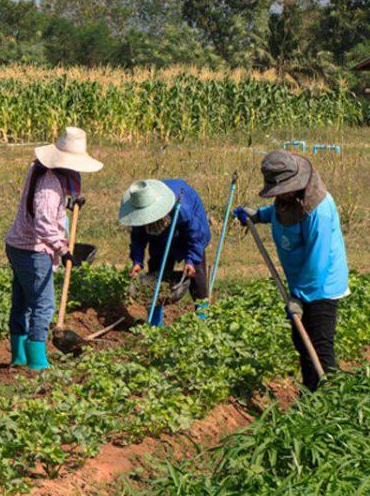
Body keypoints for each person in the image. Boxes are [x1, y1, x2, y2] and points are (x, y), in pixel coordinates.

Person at [235, 150, 348, 392]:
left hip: (322, 284)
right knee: (301, 339)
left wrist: (300, 297)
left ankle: (332, 396)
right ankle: (311, 391)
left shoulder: (319, 210)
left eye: (283, 189)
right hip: (301, 282)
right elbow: (282, 214)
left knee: (318, 343)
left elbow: (317, 263)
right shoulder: (290, 199)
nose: (280, 195)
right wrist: (259, 215)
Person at [5, 127, 102, 370]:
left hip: (17, 244)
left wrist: (70, 202)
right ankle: (37, 361)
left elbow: (43, 205)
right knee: (44, 304)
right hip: (33, 249)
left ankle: (19, 356)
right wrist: (63, 249)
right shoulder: (50, 185)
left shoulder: (40, 169)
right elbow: (44, 223)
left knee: (22, 302)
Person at [119, 179, 211, 325]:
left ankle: (202, 317)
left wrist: (191, 260)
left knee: (196, 273)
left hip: (187, 231)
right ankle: (155, 321)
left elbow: (195, 235)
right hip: (160, 238)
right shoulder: (140, 212)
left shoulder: (182, 209)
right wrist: (137, 261)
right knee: (156, 269)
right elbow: (138, 238)